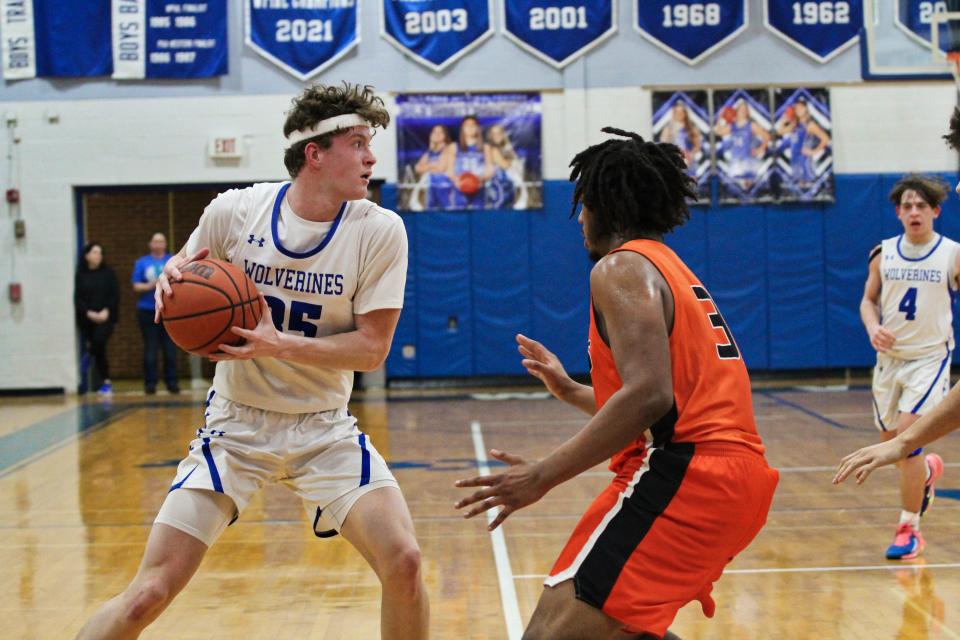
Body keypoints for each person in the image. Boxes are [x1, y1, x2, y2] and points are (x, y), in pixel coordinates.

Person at [76, 83, 428, 640]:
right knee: (147, 593)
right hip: (236, 427)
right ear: (316, 153)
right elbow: (183, 275)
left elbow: (372, 348)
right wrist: (172, 278)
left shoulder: (380, 230)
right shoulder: (235, 212)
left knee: (404, 561)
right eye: (358, 142)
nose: (371, 157)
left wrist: (278, 344)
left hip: (324, 430)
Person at [455, 128, 778, 640]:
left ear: (607, 204)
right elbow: (664, 402)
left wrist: (542, 475)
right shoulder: (671, 268)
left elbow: (651, 396)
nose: (580, 218)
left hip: (687, 478)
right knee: (623, 631)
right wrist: (568, 389)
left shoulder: (621, 266)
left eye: (583, 204)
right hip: (734, 481)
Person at [843, 174, 957, 560]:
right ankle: (925, 474)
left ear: (935, 211)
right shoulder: (884, 253)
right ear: (897, 212)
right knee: (891, 443)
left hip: (929, 358)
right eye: (907, 206)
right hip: (889, 362)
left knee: (907, 439)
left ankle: (910, 527)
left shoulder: (952, 254)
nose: (913, 212)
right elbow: (867, 300)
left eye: (921, 206)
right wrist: (873, 327)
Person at [132, 232, 179, 394]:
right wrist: (152, 285)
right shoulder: (142, 262)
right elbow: (136, 286)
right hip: (147, 310)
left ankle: (172, 383)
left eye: (161, 242)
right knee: (150, 348)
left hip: (169, 311)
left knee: (170, 349)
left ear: (165, 245)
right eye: (155, 242)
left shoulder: (172, 260)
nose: (158, 244)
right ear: (150, 244)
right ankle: (150, 384)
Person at [74, 242, 119, 396]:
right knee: (100, 351)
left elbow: (114, 294)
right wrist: (88, 313)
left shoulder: (108, 273)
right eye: (94, 252)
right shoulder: (81, 275)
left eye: (100, 252)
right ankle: (106, 382)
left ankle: (88, 357)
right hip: (88, 319)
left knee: (98, 342)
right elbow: (78, 298)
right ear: (87, 256)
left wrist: (106, 310)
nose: (98, 255)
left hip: (106, 318)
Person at [714, 99, 770, 188]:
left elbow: (766, 136)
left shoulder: (751, 125)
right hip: (735, 162)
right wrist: (721, 116)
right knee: (735, 187)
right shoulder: (732, 126)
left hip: (747, 161)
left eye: (745, 110)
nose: (743, 112)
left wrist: (760, 149)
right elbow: (718, 131)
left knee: (749, 188)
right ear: (737, 111)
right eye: (741, 109)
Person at [774, 99, 830, 187]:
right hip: (795, 165)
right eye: (797, 107)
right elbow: (779, 132)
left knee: (808, 193)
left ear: (806, 109)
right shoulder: (794, 125)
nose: (798, 109)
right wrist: (784, 120)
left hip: (805, 165)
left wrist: (814, 151)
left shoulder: (810, 125)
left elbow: (826, 138)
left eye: (801, 107)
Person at [451, 114, 493, 209]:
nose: (470, 128)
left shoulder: (485, 147)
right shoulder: (454, 147)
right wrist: (457, 180)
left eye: (473, 125)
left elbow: (490, 168)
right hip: (460, 188)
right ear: (462, 129)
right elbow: (449, 168)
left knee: (479, 217)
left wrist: (480, 178)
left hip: (479, 187)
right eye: (467, 125)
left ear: (478, 128)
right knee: (458, 217)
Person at [414, 123, 457, 209]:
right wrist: (433, 166)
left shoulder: (450, 147)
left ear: (445, 135)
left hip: (445, 187)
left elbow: (441, 168)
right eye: (434, 132)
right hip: (431, 187)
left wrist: (427, 167)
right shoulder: (429, 152)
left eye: (440, 132)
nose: (437, 134)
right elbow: (417, 168)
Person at [658, 100, 702, 176]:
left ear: (685, 113)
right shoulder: (668, 128)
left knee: (690, 183)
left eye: (681, 112)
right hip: (674, 162)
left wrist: (690, 155)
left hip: (689, 162)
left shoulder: (692, 128)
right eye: (677, 112)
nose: (679, 115)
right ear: (673, 113)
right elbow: (663, 144)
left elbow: (697, 145)